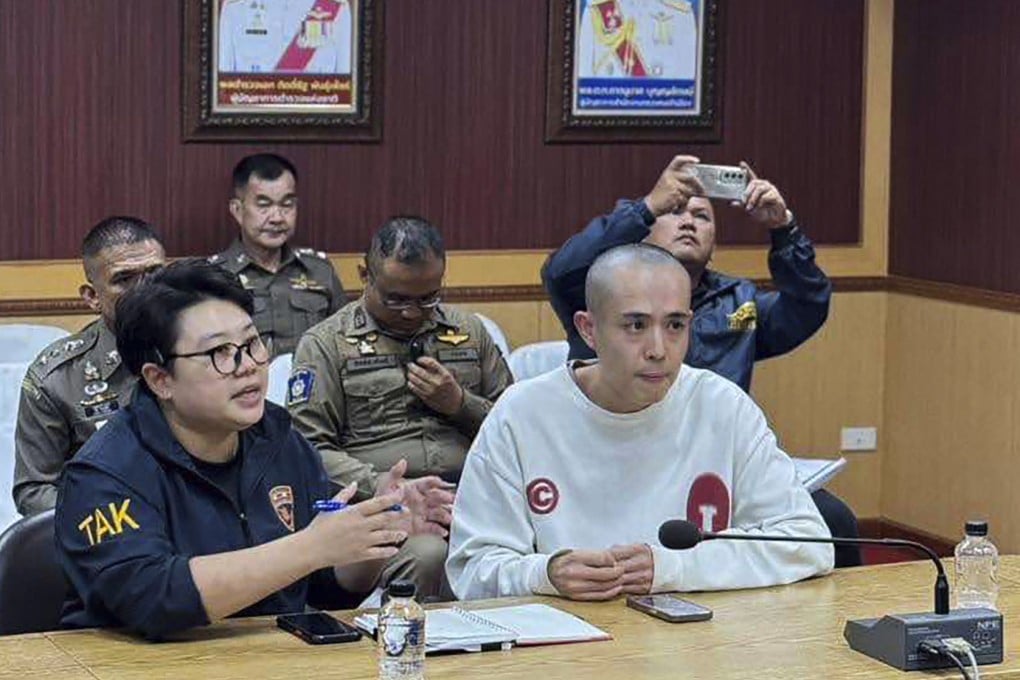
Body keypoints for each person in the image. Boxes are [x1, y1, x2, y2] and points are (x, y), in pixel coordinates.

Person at [54, 260, 426, 640]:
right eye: (220, 352)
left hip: (265, 658)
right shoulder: (105, 472)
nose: (248, 365)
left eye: (251, 344)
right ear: (160, 379)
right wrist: (309, 547)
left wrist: (374, 534)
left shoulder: (280, 439)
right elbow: (153, 597)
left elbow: (321, 587)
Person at [446, 244, 833, 601]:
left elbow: (808, 544)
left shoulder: (722, 405)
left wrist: (673, 568)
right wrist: (544, 574)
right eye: (635, 326)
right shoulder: (521, 413)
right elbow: (471, 568)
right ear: (588, 329)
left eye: (675, 325)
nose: (658, 350)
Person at [542, 155, 862, 568]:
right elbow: (560, 271)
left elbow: (806, 308)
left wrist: (784, 230)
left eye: (702, 215)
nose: (689, 221)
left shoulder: (738, 301)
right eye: (674, 212)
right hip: (620, 456)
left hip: (717, 462)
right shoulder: (601, 295)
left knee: (832, 520)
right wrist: (644, 207)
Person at [289, 216, 513, 599]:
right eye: (396, 299)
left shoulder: (471, 334)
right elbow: (305, 449)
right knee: (429, 555)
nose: (411, 312)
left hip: (473, 501)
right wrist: (383, 487)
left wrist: (460, 404)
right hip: (381, 508)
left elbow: (517, 427)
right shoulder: (326, 344)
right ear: (365, 275)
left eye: (427, 298)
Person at [12, 217, 165, 516]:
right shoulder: (56, 379)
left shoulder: (205, 348)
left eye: (155, 273)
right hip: (109, 533)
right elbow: (34, 490)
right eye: (124, 279)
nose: (146, 290)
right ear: (92, 296)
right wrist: (110, 517)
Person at [209, 153, 346, 357]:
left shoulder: (320, 271)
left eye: (286, 204)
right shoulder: (215, 276)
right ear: (237, 210)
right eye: (264, 205)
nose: (277, 218)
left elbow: (344, 341)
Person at [218, 0, 353, 74]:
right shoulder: (236, 7)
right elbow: (224, 88)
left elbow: (344, 90)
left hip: (315, 123)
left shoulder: (335, 7)